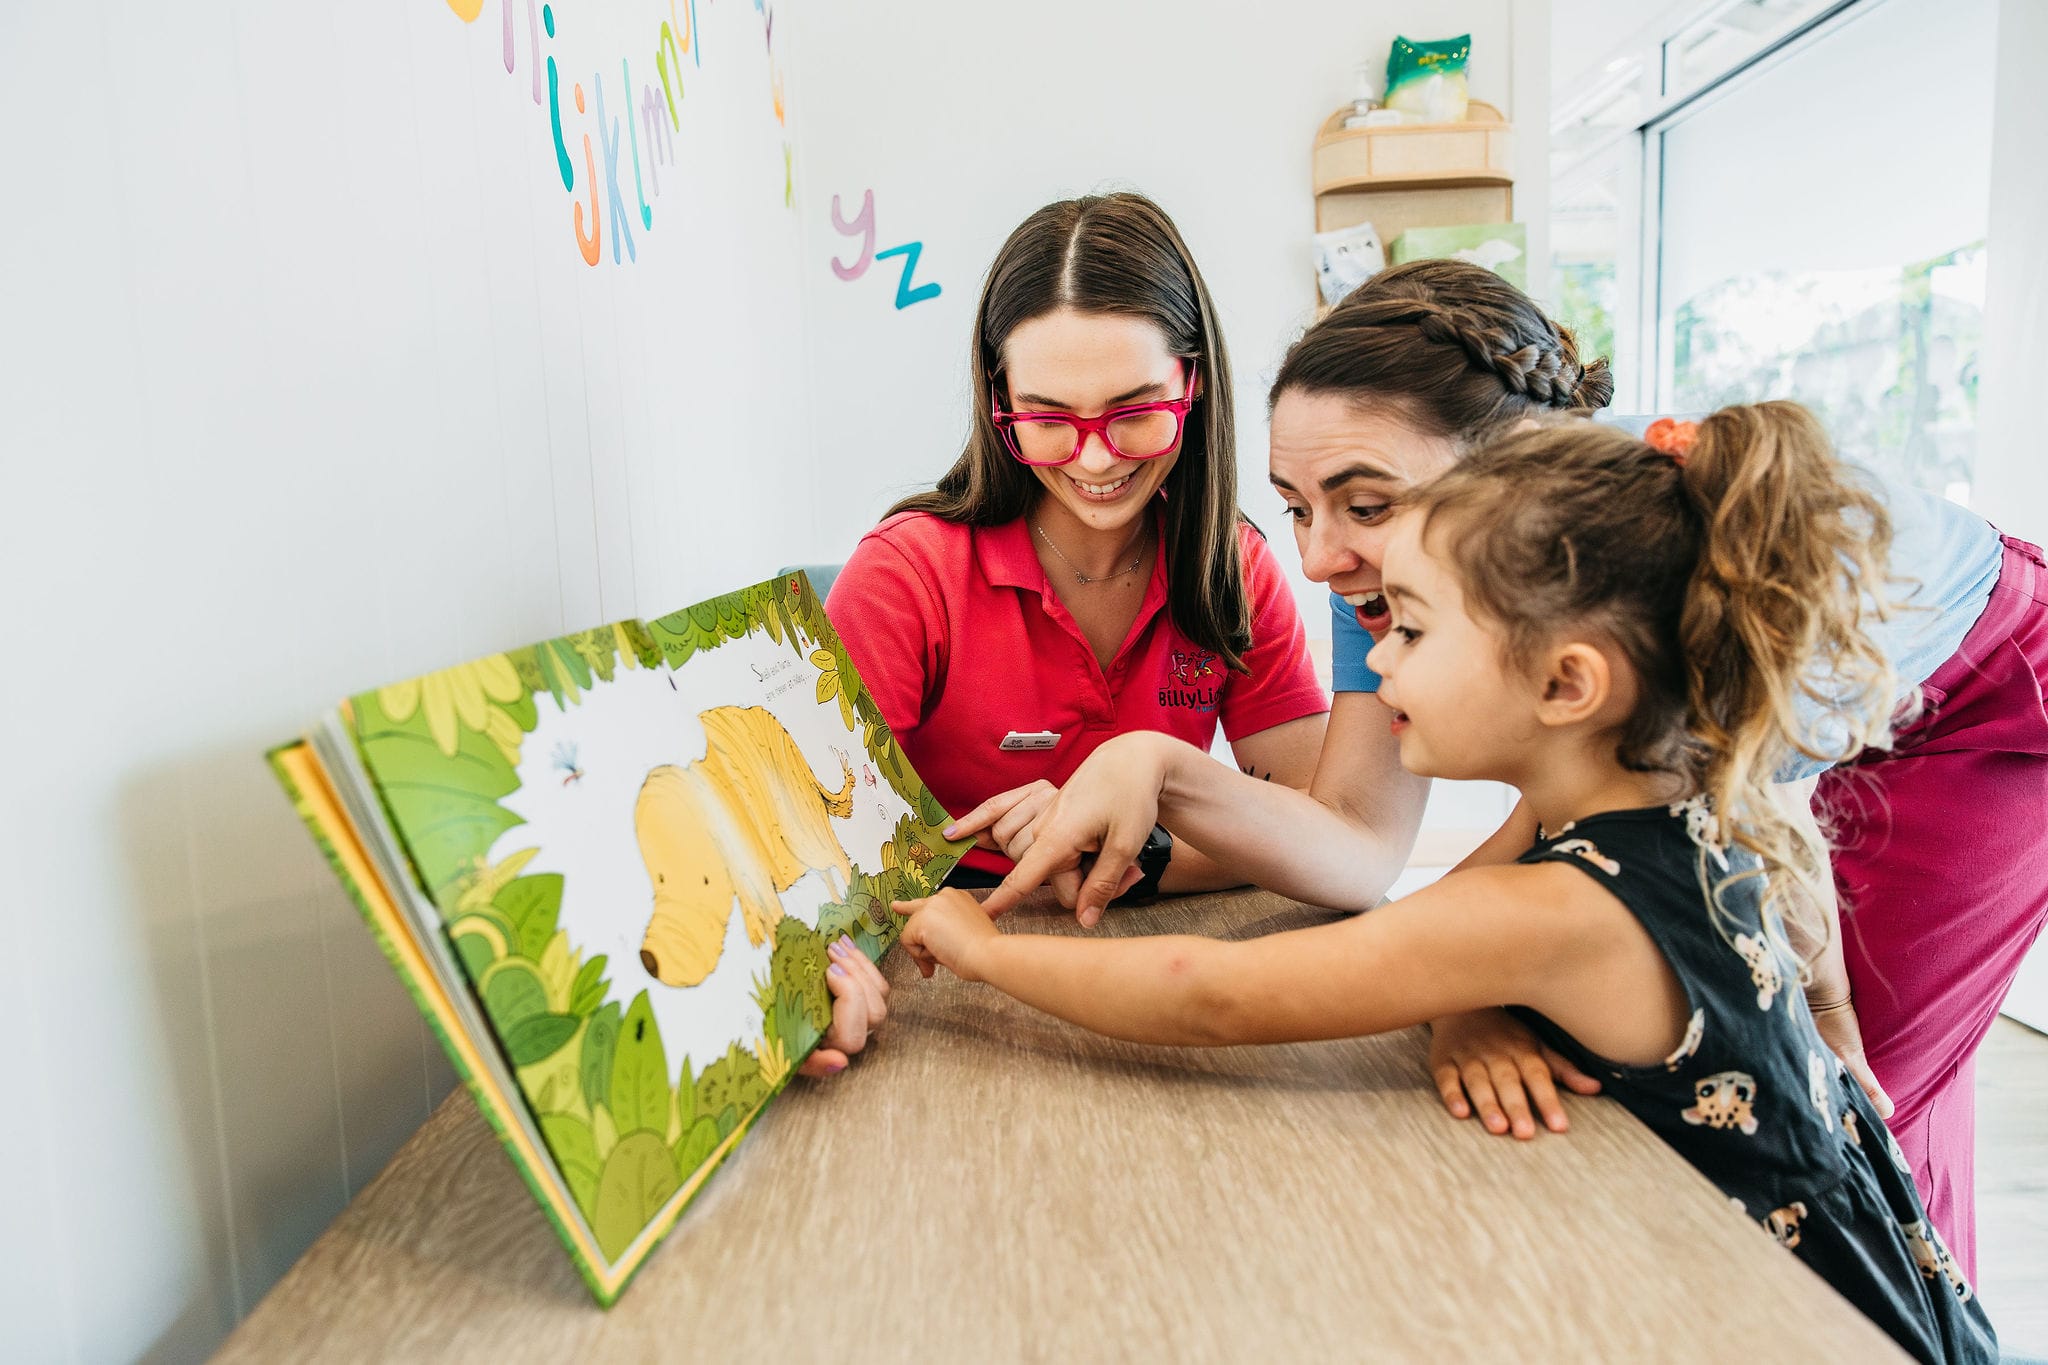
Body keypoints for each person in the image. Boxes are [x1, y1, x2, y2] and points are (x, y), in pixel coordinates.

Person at [898, 409, 1998, 1364]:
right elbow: (1456, 931)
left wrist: (984, 951)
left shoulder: (1556, 906)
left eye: (1413, 632)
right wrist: (1461, 995)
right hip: (1880, 1272)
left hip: (1807, 1323)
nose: (1377, 669)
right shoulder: (1687, 791)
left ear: (1566, 684)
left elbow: (1212, 992)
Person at [824, 192, 1333, 899]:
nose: (1095, 460)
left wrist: (1127, 851)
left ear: (1195, 380)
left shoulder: (1234, 564)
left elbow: (1317, 831)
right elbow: (825, 845)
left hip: (1159, 933)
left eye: (1135, 411)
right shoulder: (905, 575)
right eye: (1047, 417)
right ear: (999, 396)